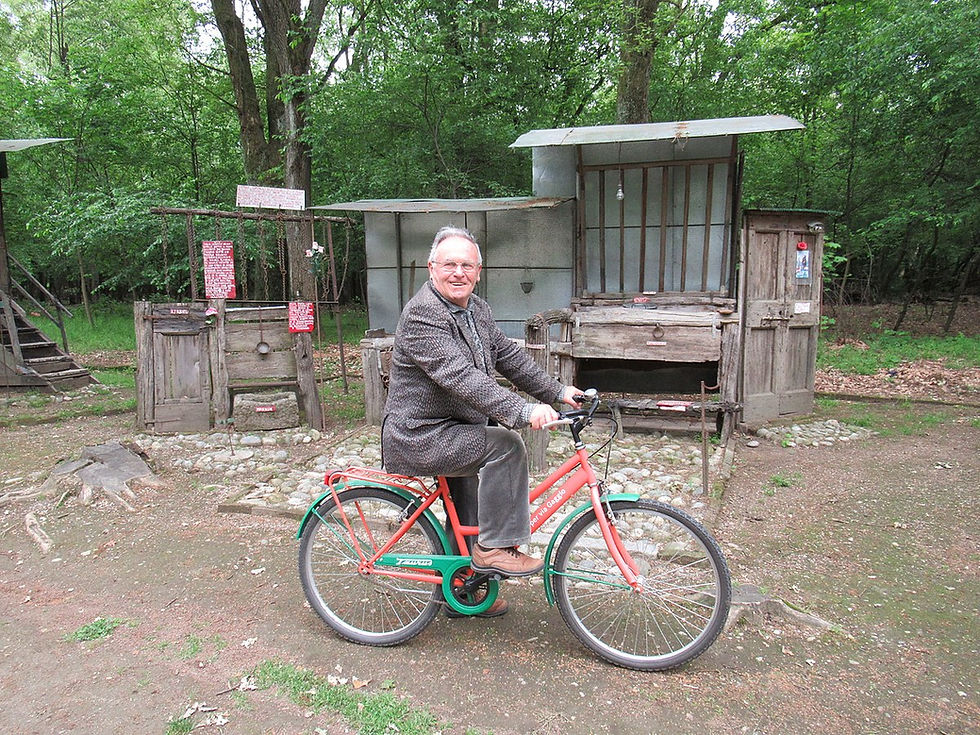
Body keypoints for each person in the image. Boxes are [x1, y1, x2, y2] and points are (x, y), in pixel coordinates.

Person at [381, 225, 582, 617]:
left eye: (467, 265)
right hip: (421, 434)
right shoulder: (423, 314)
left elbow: (508, 356)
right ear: (431, 268)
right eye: (450, 264)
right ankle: (494, 550)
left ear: (478, 271)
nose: (459, 272)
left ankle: (464, 592)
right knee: (506, 445)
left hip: (455, 428)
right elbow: (461, 376)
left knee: (473, 513)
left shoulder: (476, 308)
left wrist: (557, 392)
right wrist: (522, 412)